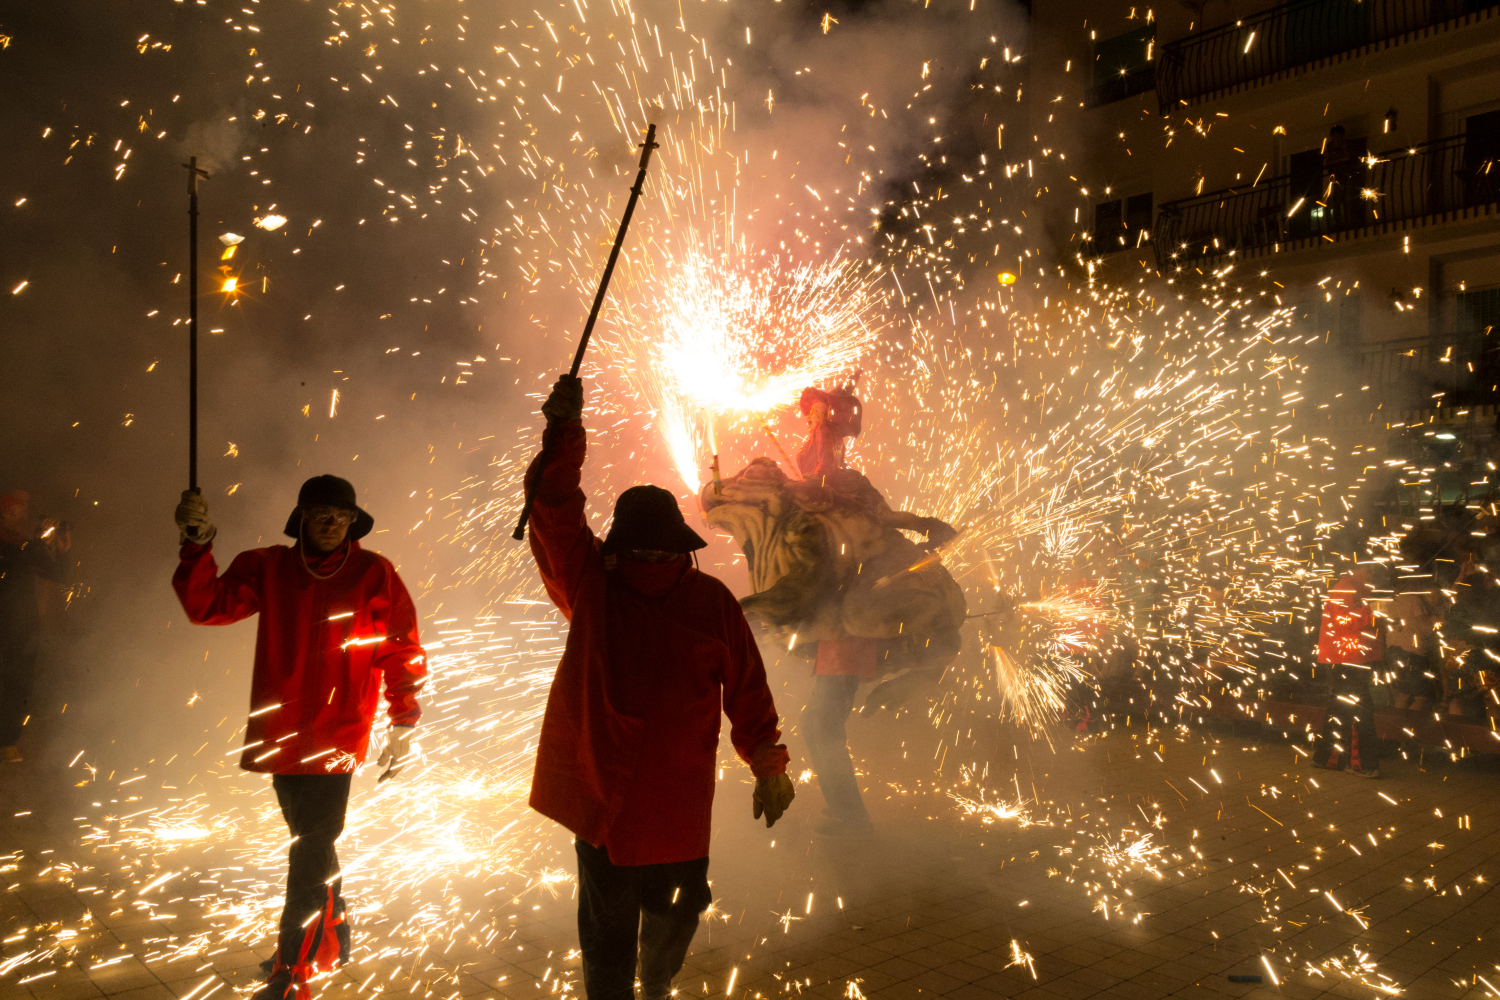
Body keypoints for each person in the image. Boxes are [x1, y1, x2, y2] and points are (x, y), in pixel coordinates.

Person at [523, 374, 794, 1000]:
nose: (647, 561)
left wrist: (769, 761)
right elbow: (555, 515)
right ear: (619, 548)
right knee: (614, 936)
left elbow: (748, 692)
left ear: (680, 549)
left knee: (666, 919)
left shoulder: (708, 602)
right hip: (610, 803)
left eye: (657, 551)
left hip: (669, 803)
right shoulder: (594, 586)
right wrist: (563, 439)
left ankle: (653, 986)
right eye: (638, 550)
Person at [172, 477, 427, 1000]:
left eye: (342, 515)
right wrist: (197, 544)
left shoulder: (374, 573)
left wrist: (403, 721)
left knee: (309, 850)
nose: (332, 524)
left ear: (353, 521)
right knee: (311, 845)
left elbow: (401, 647)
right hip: (282, 736)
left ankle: (291, 971)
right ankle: (331, 937)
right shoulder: (268, 566)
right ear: (302, 517)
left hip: (338, 736)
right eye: (321, 513)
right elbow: (206, 606)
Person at [0, 491, 70, 763]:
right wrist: (40, 542)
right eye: (10, 513)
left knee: (19, 686)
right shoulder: (13, 547)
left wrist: (61, 552)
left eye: (21, 513)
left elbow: (57, 576)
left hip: (24, 628)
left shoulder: (26, 546)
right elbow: (16, 560)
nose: (18, 518)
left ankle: (8, 742)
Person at [1312, 561, 1388, 778]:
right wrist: (1374, 611)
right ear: (1354, 569)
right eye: (1368, 569)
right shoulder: (1344, 588)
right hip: (1347, 657)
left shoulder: (1361, 588)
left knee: (1341, 708)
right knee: (1359, 710)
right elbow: (1344, 620)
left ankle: (1327, 758)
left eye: (1373, 569)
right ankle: (1359, 763)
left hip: (1355, 656)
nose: (1372, 573)